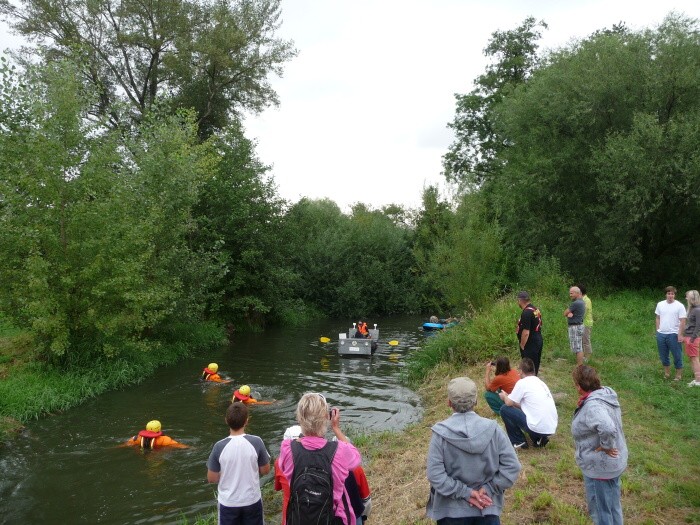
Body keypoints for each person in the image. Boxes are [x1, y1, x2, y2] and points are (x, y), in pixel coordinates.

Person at [426, 377, 521, 524]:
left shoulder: (440, 435)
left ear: (449, 402)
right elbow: (512, 466)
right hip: (487, 506)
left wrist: (465, 493)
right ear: (476, 401)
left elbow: (435, 474)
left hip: (451, 513)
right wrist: (489, 488)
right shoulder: (494, 430)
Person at [278, 392, 361, 525]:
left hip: (299, 518)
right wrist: (336, 428)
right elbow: (356, 458)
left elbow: (282, 466)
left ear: (299, 418)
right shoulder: (339, 450)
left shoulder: (287, 448)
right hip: (332, 518)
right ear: (326, 418)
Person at [275, 425, 372, 525]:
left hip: (295, 515)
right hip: (338, 514)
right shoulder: (345, 464)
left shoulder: (284, 458)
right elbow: (365, 498)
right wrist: (336, 427)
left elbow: (278, 487)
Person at [571, 365, 628, 525]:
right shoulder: (605, 394)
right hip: (614, 464)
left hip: (600, 468)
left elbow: (608, 428)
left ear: (579, 386)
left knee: (601, 511)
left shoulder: (593, 406)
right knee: (613, 506)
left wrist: (606, 446)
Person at [206, 402, 271, 525]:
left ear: (226, 421)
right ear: (247, 421)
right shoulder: (257, 442)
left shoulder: (219, 446)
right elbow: (265, 470)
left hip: (228, 502)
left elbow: (211, 478)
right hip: (252, 500)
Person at [498, 358, 558, 450]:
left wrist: (505, 396)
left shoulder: (522, 382)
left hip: (537, 425)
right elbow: (525, 406)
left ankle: (518, 441)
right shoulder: (541, 383)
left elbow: (509, 403)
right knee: (527, 413)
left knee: (505, 409)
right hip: (550, 427)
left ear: (521, 371)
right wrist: (511, 399)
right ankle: (539, 439)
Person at [655, 286, 687, 381]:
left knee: (677, 355)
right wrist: (658, 330)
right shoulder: (660, 304)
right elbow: (657, 317)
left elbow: (683, 321)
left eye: (672, 294)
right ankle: (667, 373)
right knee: (663, 355)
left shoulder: (679, 306)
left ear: (674, 295)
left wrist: (680, 334)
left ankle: (678, 375)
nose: (670, 295)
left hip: (674, 334)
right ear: (666, 294)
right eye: (668, 293)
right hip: (661, 334)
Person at [516, 291, 543, 375]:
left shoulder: (526, 312)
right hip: (538, 339)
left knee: (528, 365)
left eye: (518, 300)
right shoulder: (535, 309)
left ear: (520, 300)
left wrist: (522, 345)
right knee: (535, 364)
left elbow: (526, 332)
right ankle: (535, 378)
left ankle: (530, 381)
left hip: (530, 342)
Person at [123, 420, 189, 449]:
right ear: (159, 429)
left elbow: (126, 444)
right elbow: (179, 446)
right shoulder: (165, 439)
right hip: (157, 454)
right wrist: (192, 448)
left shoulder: (137, 438)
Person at [564, 286, 586, 366]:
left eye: (571, 293)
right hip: (579, 325)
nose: (570, 295)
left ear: (577, 293)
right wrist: (570, 313)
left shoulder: (576, 303)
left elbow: (565, 313)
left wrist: (569, 312)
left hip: (575, 327)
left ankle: (579, 366)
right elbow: (568, 313)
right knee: (579, 346)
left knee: (578, 348)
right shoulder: (582, 302)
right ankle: (579, 365)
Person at [683, 290, 700, 387]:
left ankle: (699, 380)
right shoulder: (692, 309)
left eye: (687, 296)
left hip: (692, 338)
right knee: (692, 358)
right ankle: (696, 379)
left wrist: (692, 339)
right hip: (688, 337)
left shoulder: (697, 310)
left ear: (692, 298)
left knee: (695, 358)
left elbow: (698, 326)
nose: (686, 298)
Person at [578, 283, 594, 359]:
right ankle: (583, 356)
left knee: (586, 340)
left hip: (586, 323)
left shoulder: (586, 300)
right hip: (582, 323)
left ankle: (587, 357)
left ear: (580, 292)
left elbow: (583, 312)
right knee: (581, 340)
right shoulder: (581, 300)